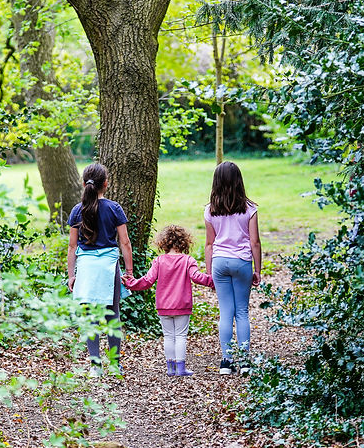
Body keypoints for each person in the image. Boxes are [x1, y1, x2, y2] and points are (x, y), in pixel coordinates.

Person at [67, 163, 133, 375]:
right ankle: (114, 364)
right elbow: (125, 243)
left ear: (84, 183)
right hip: (108, 268)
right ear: (106, 184)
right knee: (112, 316)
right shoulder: (114, 209)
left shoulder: (78, 210)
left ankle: (95, 365)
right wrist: (129, 272)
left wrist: (71, 275)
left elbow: (72, 246)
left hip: (85, 269)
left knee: (90, 317)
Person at [123, 225, 214, 377]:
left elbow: (148, 280)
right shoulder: (188, 260)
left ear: (164, 243)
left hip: (163, 306)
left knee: (168, 336)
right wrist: (214, 281)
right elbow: (197, 277)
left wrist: (130, 283)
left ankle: (170, 368)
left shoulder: (159, 261)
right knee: (180, 336)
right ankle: (181, 368)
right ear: (185, 242)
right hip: (182, 305)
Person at [204, 161, 262, 375]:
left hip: (219, 262)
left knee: (225, 312)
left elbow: (209, 243)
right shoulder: (250, 209)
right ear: (239, 181)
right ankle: (245, 362)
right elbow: (255, 242)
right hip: (242, 262)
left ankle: (226, 362)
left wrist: (209, 272)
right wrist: (258, 270)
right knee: (242, 312)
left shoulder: (210, 210)